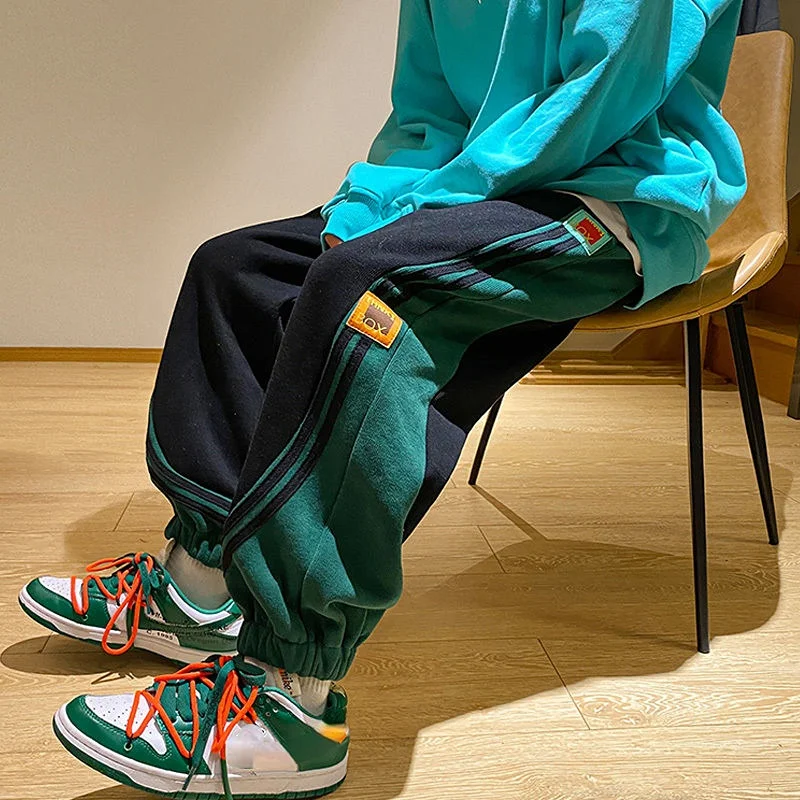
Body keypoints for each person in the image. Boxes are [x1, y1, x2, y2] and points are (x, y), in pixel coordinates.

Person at [18, 0, 747, 797]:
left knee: (372, 300)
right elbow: (426, 113)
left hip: (615, 197)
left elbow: (601, 96)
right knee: (236, 269)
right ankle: (200, 587)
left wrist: (423, 214)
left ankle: (289, 702)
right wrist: (369, 212)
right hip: (471, 187)